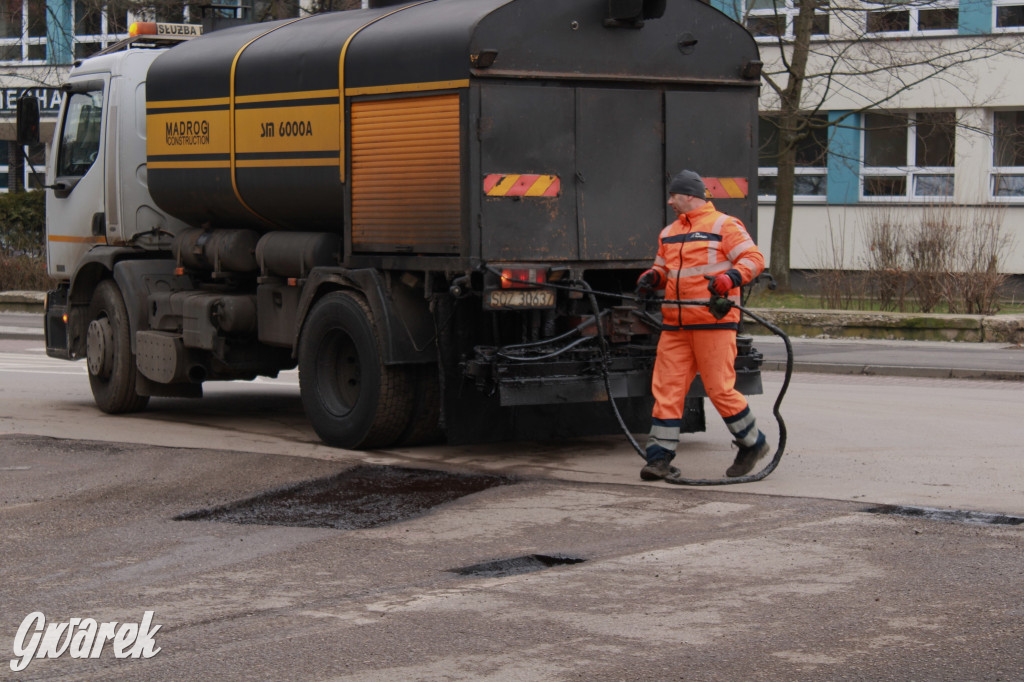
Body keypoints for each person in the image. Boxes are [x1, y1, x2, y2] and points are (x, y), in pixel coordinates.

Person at [635, 169, 771, 481]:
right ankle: (658, 459)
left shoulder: (725, 224)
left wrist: (730, 278)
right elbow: (663, 270)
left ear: (690, 195)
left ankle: (753, 444)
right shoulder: (668, 233)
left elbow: (753, 259)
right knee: (666, 390)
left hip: (714, 322)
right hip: (676, 326)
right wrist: (651, 278)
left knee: (719, 388)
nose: (670, 201)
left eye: (674, 195)